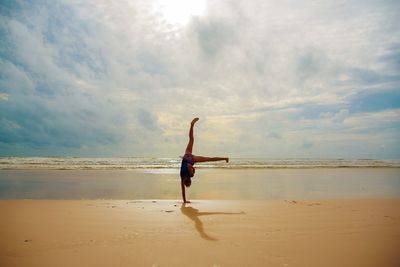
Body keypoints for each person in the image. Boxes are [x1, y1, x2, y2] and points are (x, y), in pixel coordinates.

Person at [180, 118, 229, 203]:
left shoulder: (191, 175)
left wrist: (193, 169)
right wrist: (184, 201)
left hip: (191, 160)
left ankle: (225, 158)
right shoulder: (182, 177)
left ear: (189, 180)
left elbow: (189, 166)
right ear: (185, 181)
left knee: (209, 159)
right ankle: (192, 125)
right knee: (191, 140)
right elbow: (183, 191)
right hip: (186, 156)